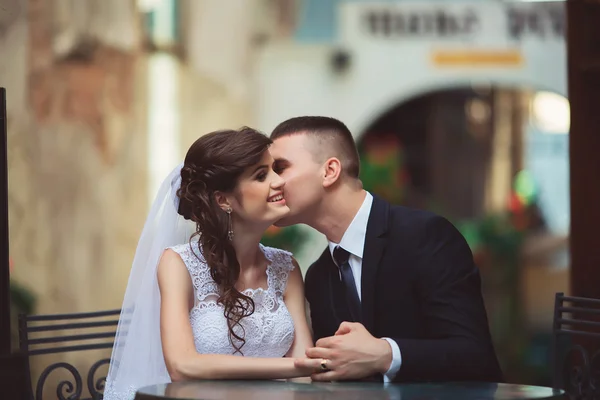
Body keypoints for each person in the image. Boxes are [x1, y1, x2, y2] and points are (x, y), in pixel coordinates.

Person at [269, 116, 503, 383]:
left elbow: (475, 356)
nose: (271, 183)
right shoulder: (319, 275)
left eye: (280, 168)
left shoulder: (425, 235)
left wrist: (386, 354)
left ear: (330, 171)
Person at [104, 128, 315, 400]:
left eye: (275, 170)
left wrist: (302, 367)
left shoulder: (286, 268)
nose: (279, 182)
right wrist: (290, 366)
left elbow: (306, 375)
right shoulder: (178, 263)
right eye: (261, 175)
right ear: (223, 200)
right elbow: (182, 366)